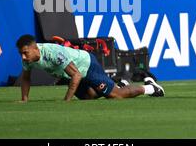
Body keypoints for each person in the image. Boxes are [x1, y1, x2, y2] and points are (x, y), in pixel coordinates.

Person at [16, 34, 165, 102]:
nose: (23, 57)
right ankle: (118, 84)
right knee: (89, 97)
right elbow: (26, 78)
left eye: (25, 53)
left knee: (116, 95)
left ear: (35, 48)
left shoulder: (53, 53)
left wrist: (66, 101)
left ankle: (151, 88)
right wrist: (24, 100)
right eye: (21, 54)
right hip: (76, 73)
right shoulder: (28, 59)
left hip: (87, 65)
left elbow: (76, 75)